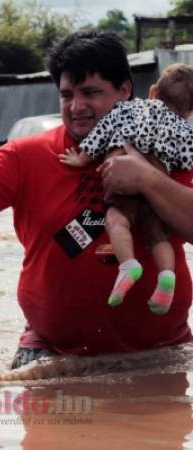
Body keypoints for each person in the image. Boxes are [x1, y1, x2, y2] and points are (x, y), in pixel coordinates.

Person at [0, 30, 193, 369]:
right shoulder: (27, 155)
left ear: (124, 90)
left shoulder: (170, 151)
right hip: (50, 356)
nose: (76, 107)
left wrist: (149, 180)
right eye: (66, 95)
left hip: (163, 353)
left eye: (90, 92)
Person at [59, 63, 193, 315]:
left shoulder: (128, 108)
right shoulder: (185, 129)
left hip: (121, 171)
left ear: (152, 91)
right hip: (158, 184)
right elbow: (186, 160)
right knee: (158, 238)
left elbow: (102, 131)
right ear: (190, 110)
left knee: (116, 221)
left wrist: (82, 158)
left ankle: (128, 264)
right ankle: (167, 276)